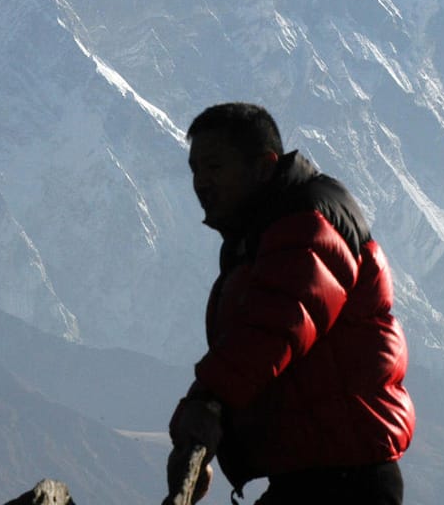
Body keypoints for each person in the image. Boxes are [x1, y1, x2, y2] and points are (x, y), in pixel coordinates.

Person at [167, 103, 415, 504]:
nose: (200, 183)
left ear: (264, 167)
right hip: (319, 473)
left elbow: (277, 326)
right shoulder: (262, 235)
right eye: (194, 169)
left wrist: (206, 399)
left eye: (214, 167)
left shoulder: (308, 226)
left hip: (343, 482)